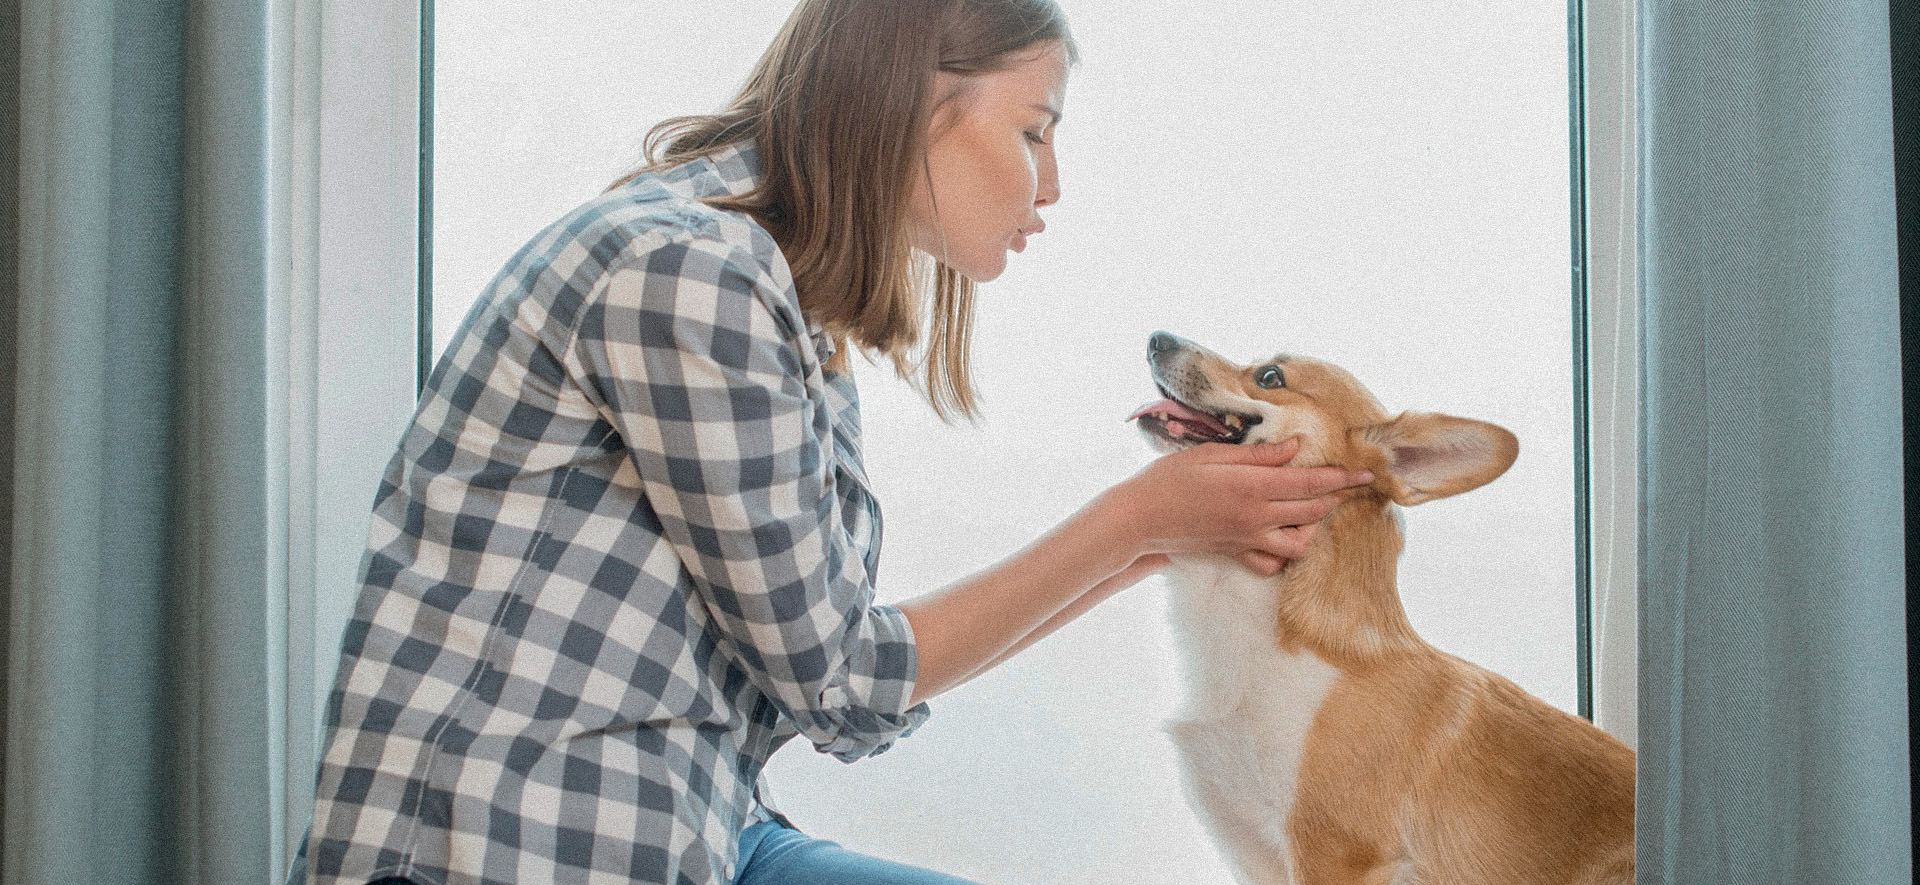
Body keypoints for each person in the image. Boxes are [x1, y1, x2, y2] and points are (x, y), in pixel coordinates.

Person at [291, 1, 1372, 883]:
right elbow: (846, 681)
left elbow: (836, 687)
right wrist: (1140, 520)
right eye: (1034, 130)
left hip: (697, 826)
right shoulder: (690, 274)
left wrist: (1161, 542)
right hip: (514, 841)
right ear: (911, 102)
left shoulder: (785, 313)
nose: (1050, 184)